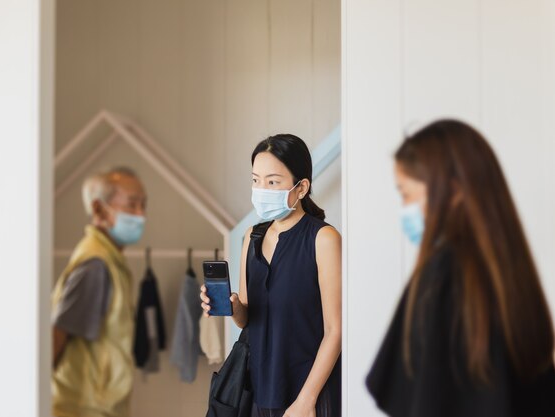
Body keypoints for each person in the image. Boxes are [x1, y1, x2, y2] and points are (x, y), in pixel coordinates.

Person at [366, 120, 555, 416]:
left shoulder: (445, 274)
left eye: (406, 194)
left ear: (452, 190)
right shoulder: (510, 273)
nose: (404, 208)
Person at [201, 134, 342, 417]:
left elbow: (335, 330)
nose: (261, 189)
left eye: (273, 182)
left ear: (301, 188)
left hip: (307, 389)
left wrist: (307, 400)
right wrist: (232, 306)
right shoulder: (250, 238)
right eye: (256, 180)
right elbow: (246, 320)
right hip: (257, 386)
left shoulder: (323, 238)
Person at [51, 167, 147, 417]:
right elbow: (56, 337)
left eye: (143, 205)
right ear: (98, 209)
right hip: (82, 410)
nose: (141, 215)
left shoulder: (109, 261)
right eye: (132, 205)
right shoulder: (96, 265)